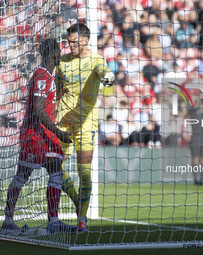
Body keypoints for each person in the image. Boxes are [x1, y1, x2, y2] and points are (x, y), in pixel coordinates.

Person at [2, 38, 75, 235]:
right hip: (35, 136)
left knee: (56, 171)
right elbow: (39, 109)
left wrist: (60, 92)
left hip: (47, 136)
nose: (60, 54)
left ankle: (53, 221)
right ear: (53, 55)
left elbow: (47, 101)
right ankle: (8, 220)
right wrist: (60, 132)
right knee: (22, 176)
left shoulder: (48, 76)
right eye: (59, 52)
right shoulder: (42, 75)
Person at [56, 23, 114, 232]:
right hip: (62, 122)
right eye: (68, 42)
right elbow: (58, 91)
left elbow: (104, 71)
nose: (70, 45)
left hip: (86, 123)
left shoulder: (96, 60)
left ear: (85, 40)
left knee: (85, 172)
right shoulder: (62, 62)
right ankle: (78, 202)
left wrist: (109, 77)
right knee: (54, 167)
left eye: (73, 41)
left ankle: (81, 219)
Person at [187, 94, 203, 185]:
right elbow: (190, 105)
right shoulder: (193, 111)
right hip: (195, 137)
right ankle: (195, 179)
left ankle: (201, 179)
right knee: (195, 159)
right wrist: (197, 97)